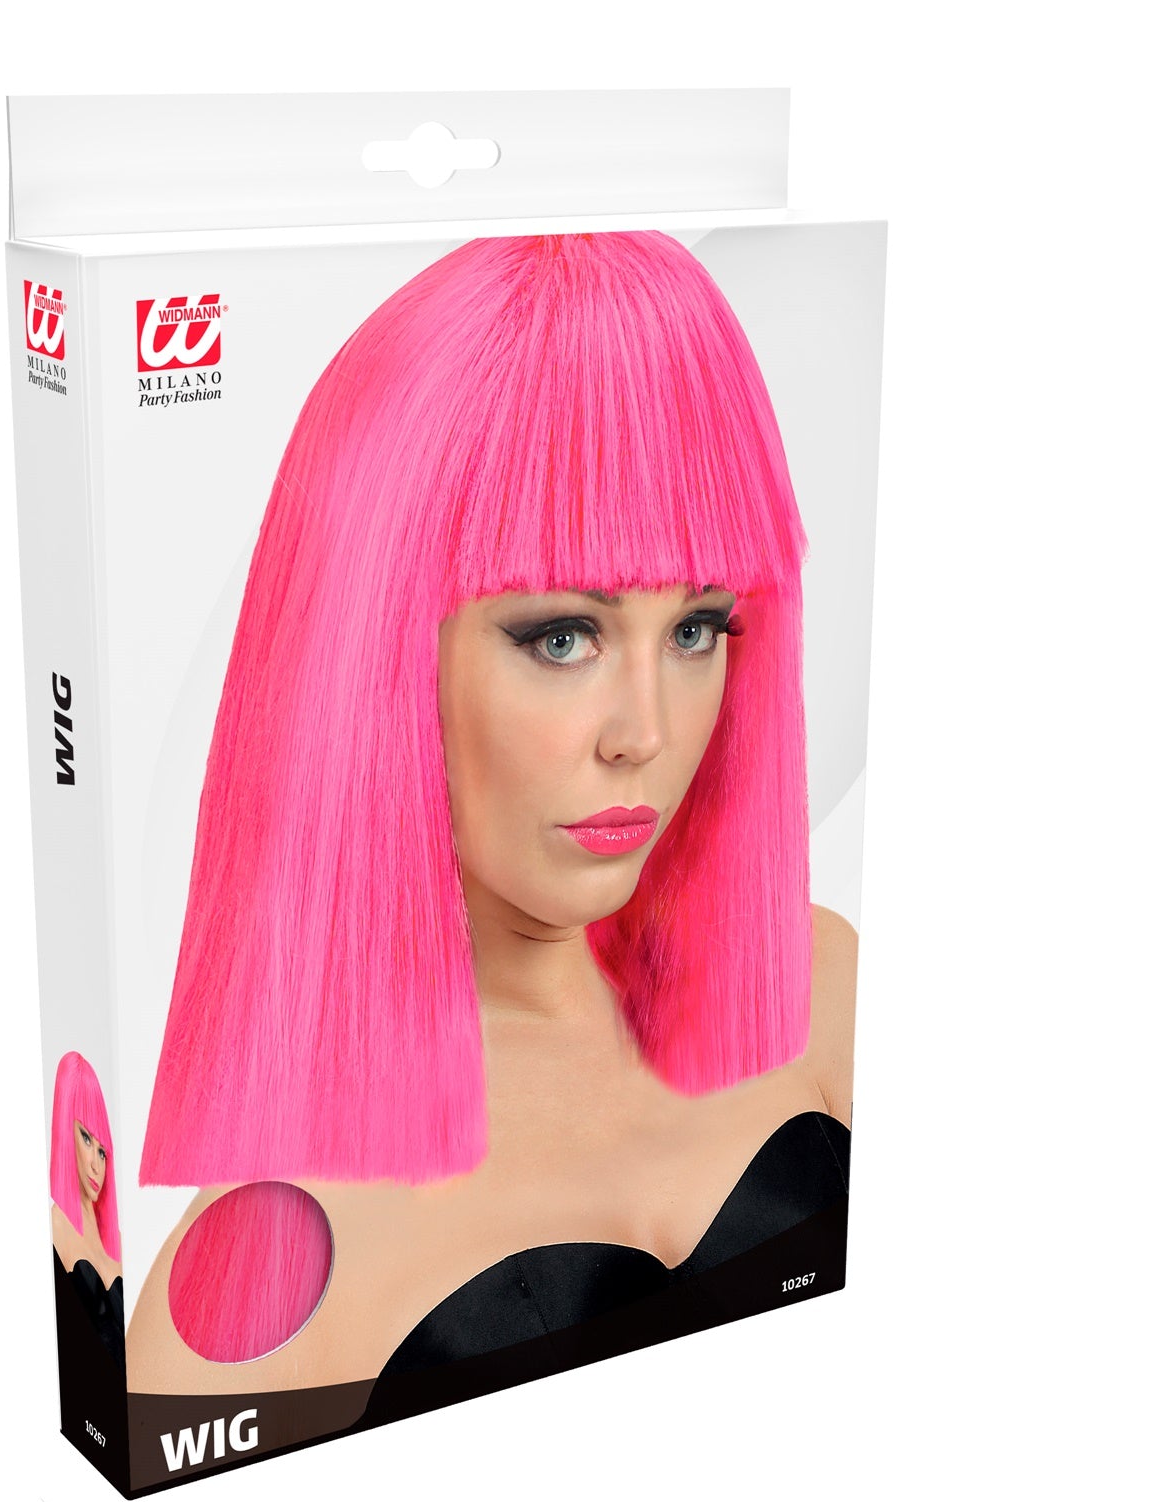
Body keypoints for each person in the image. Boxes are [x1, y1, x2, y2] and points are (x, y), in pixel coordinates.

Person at [128, 231, 856, 1415]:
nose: (645, 734)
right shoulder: (264, 1260)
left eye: (696, 630)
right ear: (376, 648)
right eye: (562, 637)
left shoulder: (817, 979)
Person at [50, 1051, 124, 1358]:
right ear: (65, 1129)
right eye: (86, 1138)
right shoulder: (55, 1226)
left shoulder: (115, 1237)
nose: (97, 1165)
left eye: (103, 1152)